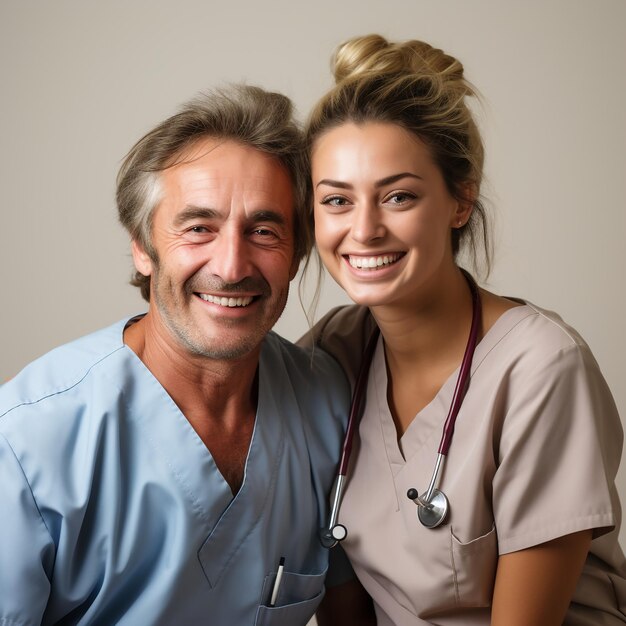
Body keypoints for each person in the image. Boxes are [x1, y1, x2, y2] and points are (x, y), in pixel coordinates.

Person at [303, 34, 626, 625]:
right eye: (337, 201)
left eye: (398, 196)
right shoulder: (335, 351)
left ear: (461, 201)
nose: (365, 229)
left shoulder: (541, 369)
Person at [0, 85, 352, 625]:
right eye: (198, 228)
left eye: (264, 230)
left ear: (298, 253)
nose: (232, 266)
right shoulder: (26, 443)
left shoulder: (328, 407)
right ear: (142, 246)